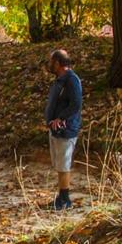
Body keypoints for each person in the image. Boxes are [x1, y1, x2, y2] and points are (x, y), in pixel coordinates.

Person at [44, 49, 82, 210]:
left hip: (66, 129)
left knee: (64, 164)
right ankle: (61, 197)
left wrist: (61, 119)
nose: (49, 65)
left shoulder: (71, 80)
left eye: (51, 61)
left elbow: (76, 104)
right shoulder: (59, 80)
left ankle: (65, 200)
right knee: (59, 164)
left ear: (58, 63)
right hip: (56, 129)